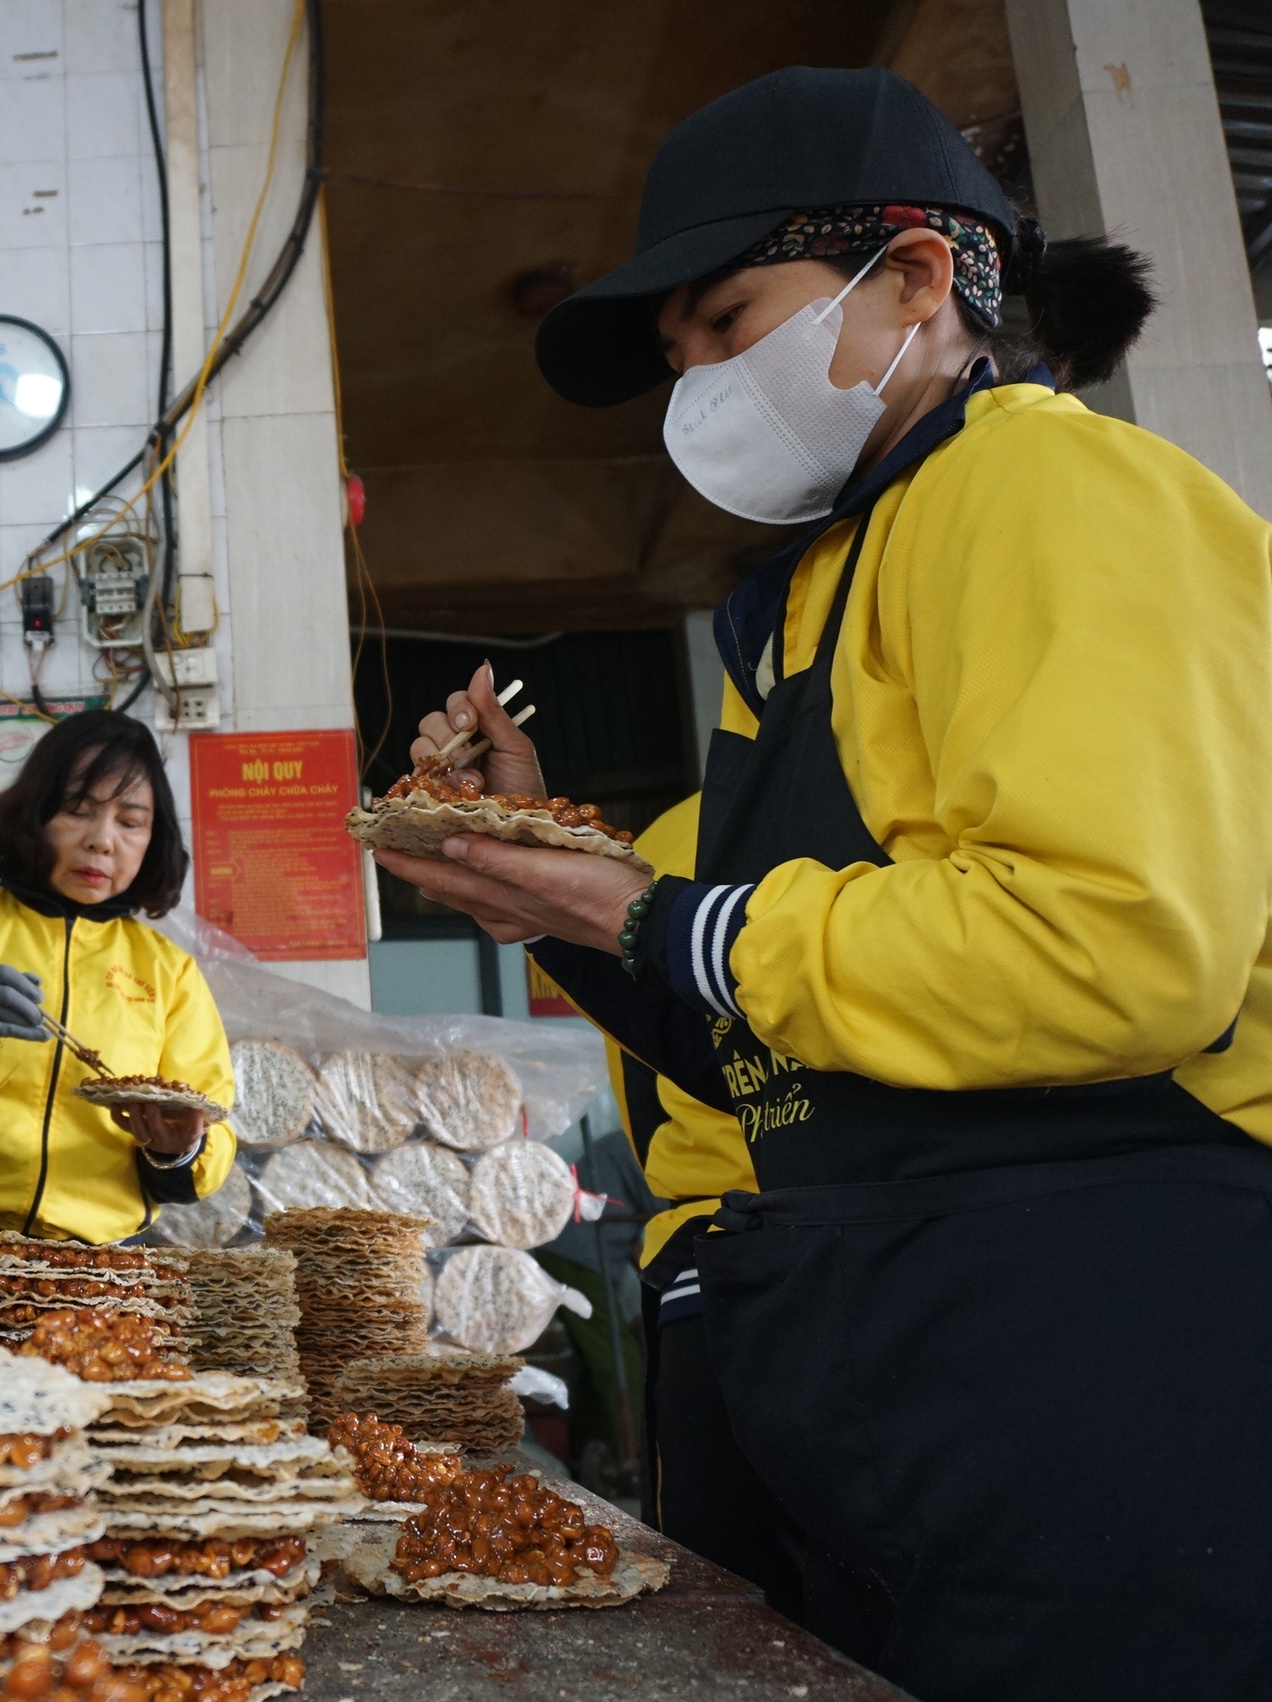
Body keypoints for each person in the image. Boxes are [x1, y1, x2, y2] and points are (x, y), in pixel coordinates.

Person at [382, 67, 1272, 1700]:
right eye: (679, 362)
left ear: (918, 279)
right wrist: (550, 877)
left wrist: (637, 911)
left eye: (729, 323)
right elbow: (777, 1036)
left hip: (1105, 1325)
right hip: (891, 1337)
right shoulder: (795, 605)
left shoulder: (1051, 492)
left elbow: (1116, 951)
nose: (702, 384)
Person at [0, 710, 236, 1248]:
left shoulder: (169, 971)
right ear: (34, 814)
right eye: (77, 810)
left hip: (98, 1267)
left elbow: (210, 1126)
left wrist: (176, 1149)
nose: (101, 841)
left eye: (130, 821)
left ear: (153, 839)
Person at [599, 797, 794, 1618]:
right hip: (913, 1247)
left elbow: (642, 1084)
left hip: (716, 1258)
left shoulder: (665, 845)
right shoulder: (906, 805)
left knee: (727, 1616)